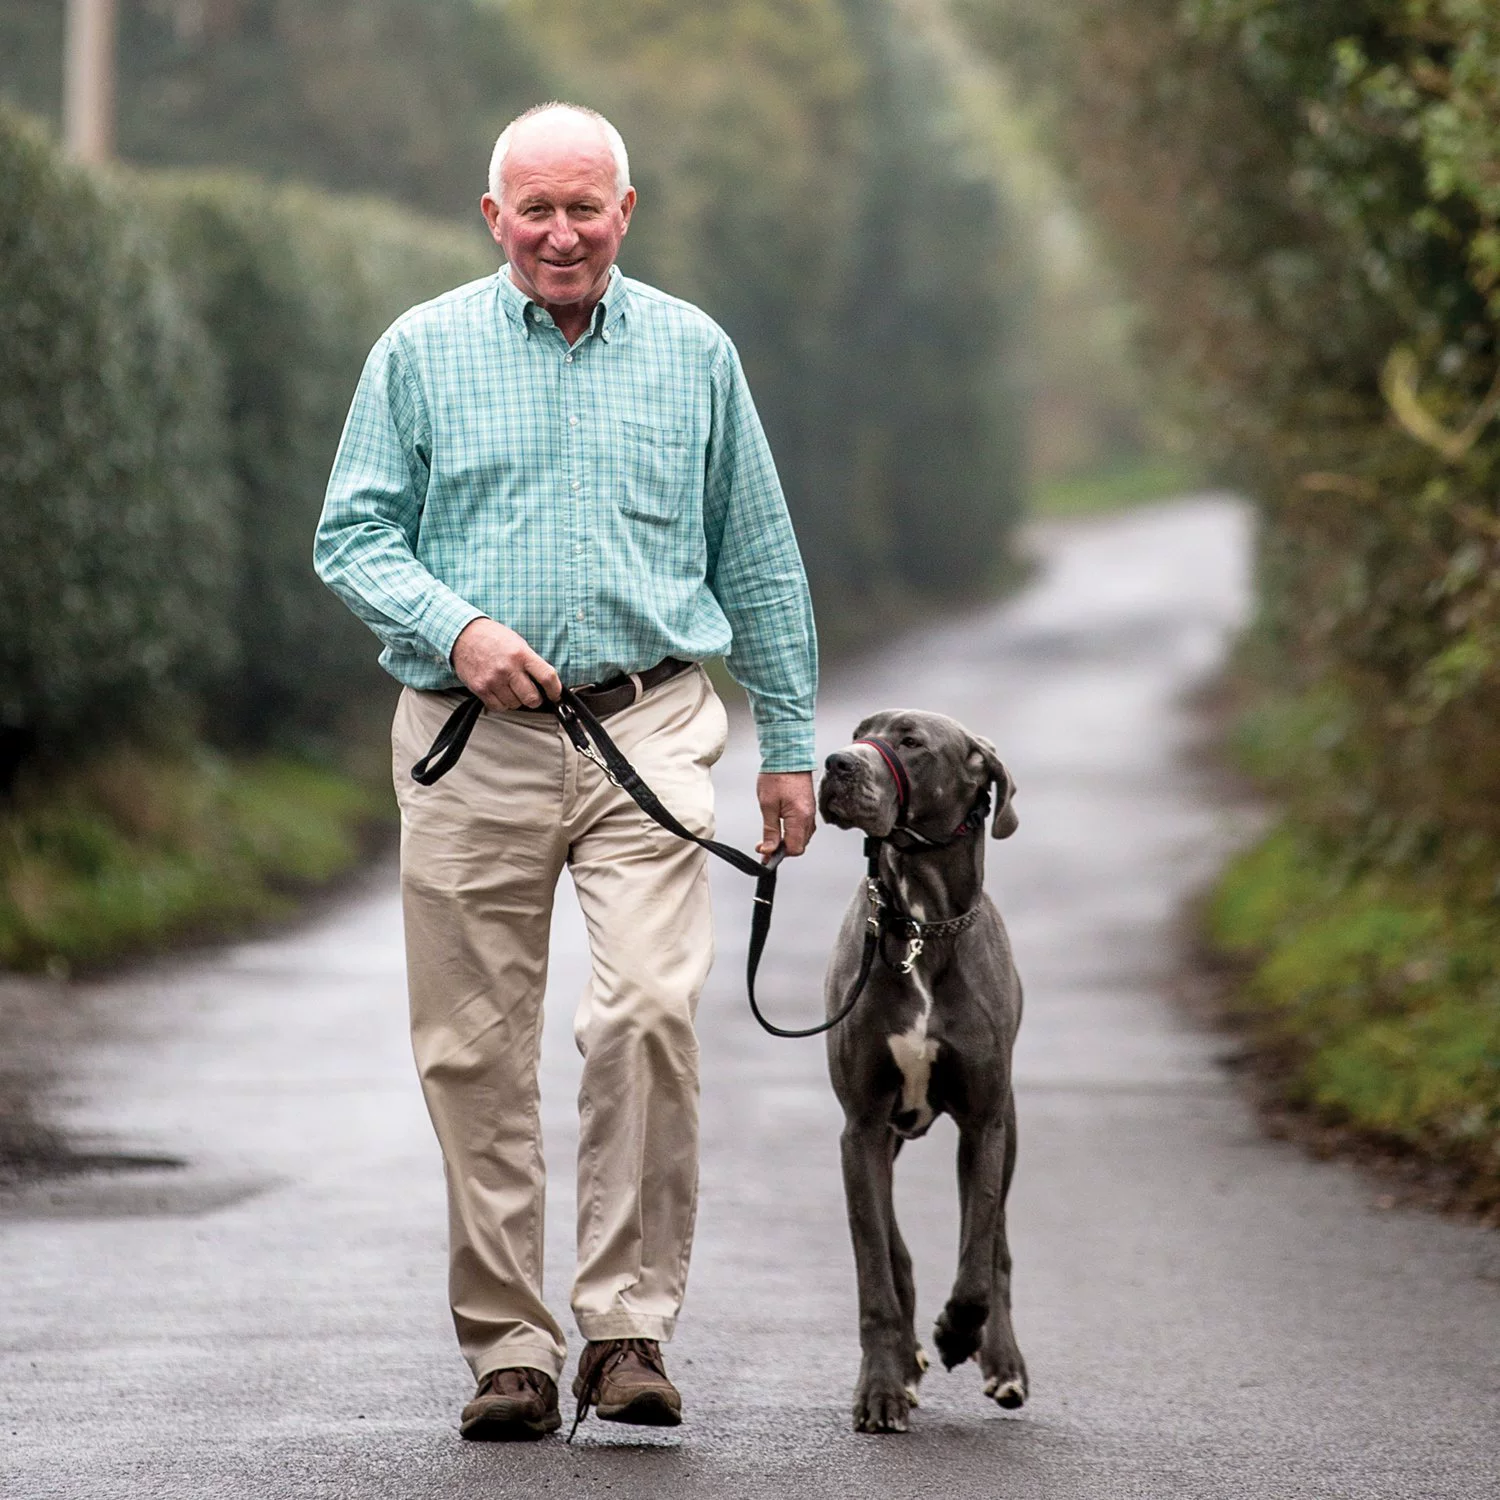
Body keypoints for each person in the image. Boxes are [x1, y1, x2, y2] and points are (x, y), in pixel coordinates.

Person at [313, 101, 818, 1440]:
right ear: (494, 218)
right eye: (533, 209)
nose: (559, 232)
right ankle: (510, 1353)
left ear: (624, 212)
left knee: (647, 1010)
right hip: (467, 737)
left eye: (583, 207)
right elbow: (352, 536)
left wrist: (789, 745)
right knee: (472, 1052)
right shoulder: (419, 352)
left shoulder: (697, 354)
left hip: (648, 725)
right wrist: (458, 630)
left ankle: (627, 1330)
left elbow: (758, 555)